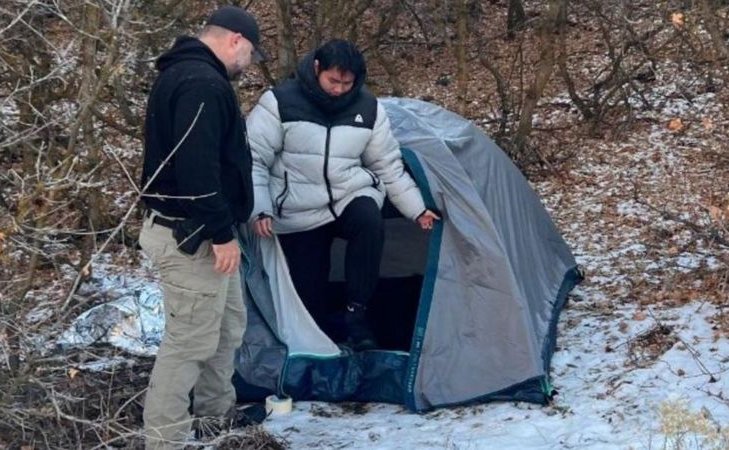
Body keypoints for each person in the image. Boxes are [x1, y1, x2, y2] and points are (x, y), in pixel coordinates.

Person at [246, 39, 439, 351]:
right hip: (297, 206)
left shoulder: (368, 107)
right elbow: (253, 157)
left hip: (348, 194)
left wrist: (417, 209)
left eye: (346, 83)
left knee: (369, 220)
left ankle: (357, 313)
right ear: (317, 68)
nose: (338, 89)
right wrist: (261, 208)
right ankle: (319, 338)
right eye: (333, 81)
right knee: (309, 289)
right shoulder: (279, 102)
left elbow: (386, 164)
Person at [138, 6, 266, 448]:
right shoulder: (202, 84)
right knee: (190, 342)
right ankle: (165, 439)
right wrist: (222, 234)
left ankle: (214, 414)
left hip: (203, 230)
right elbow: (196, 172)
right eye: (250, 54)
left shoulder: (188, 75)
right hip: (191, 235)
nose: (247, 65)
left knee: (229, 325)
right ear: (235, 40)